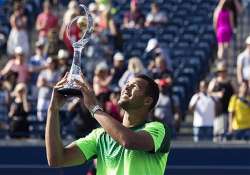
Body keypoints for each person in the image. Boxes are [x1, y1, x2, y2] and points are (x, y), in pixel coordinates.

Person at [46, 73, 171, 175]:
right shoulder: (99, 135)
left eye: (135, 86)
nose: (126, 87)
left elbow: (128, 141)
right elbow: (57, 159)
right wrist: (53, 109)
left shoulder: (158, 129)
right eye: (126, 84)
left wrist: (94, 108)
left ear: (147, 101)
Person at [208, 62, 234, 141]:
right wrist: (217, 94)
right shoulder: (215, 82)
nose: (222, 73)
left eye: (224, 71)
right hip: (218, 112)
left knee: (226, 135)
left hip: (229, 111)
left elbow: (236, 93)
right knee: (218, 133)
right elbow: (208, 93)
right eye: (221, 71)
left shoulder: (230, 82)